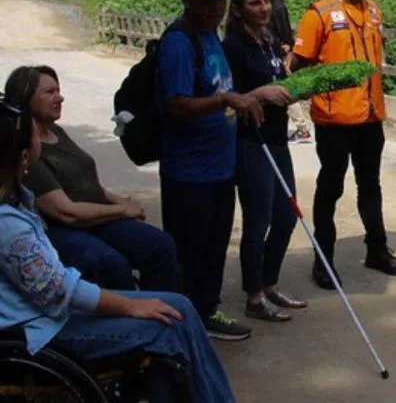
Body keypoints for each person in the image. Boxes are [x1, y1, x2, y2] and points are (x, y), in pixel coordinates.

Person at [0, 93, 236, 403]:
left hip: (48, 314)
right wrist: (130, 306)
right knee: (166, 326)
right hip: (41, 331)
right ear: (23, 152)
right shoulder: (8, 224)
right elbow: (58, 291)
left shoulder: (17, 199)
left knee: (179, 305)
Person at [292, 0, 396, 289]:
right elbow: (298, 64)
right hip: (334, 121)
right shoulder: (320, 13)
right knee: (331, 187)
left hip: (371, 117)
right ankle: (323, 260)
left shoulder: (373, 10)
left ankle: (378, 250)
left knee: (370, 186)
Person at [158, 0, 263, 341]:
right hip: (189, 171)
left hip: (220, 166)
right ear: (188, 1)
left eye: (220, 0)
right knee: (190, 251)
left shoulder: (210, 37)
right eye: (207, 1)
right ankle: (184, 324)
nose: (216, 8)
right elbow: (177, 104)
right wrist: (223, 100)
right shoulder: (179, 44)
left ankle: (207, 312)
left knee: (215, 245)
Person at [4, 65, 177, 293]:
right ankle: (130, 320)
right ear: (25, 99)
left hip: (94, 219)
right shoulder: (27, 151)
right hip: (63, 229)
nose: (60, 97)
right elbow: (68, 213)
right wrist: (122, 211)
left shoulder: (57, 132)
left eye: (59, 90)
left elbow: (86, 182)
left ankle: (163, 314)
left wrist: (120, 201)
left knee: (160, 246)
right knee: (111, 265)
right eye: (49, 92)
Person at [222, 0, 307, 322]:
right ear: (240, 10)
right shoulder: (233, 47)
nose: (264, 8)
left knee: (287, 216)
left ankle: (270, 283)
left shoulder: (270, 42)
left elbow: (278, 83)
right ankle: (253, 296)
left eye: (267, 1)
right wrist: (260, 95)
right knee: (258, 221)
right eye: (255, 3)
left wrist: (290, 90)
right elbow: (227, 102)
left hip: (277, 138)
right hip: (249, 142)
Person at [260, 0, 312, 143]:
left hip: (279, 52)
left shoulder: (277, 5)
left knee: (284, 88)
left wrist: (288, 49)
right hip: (272, 50)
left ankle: (302, 128)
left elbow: (284, 29)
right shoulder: (271, 3)